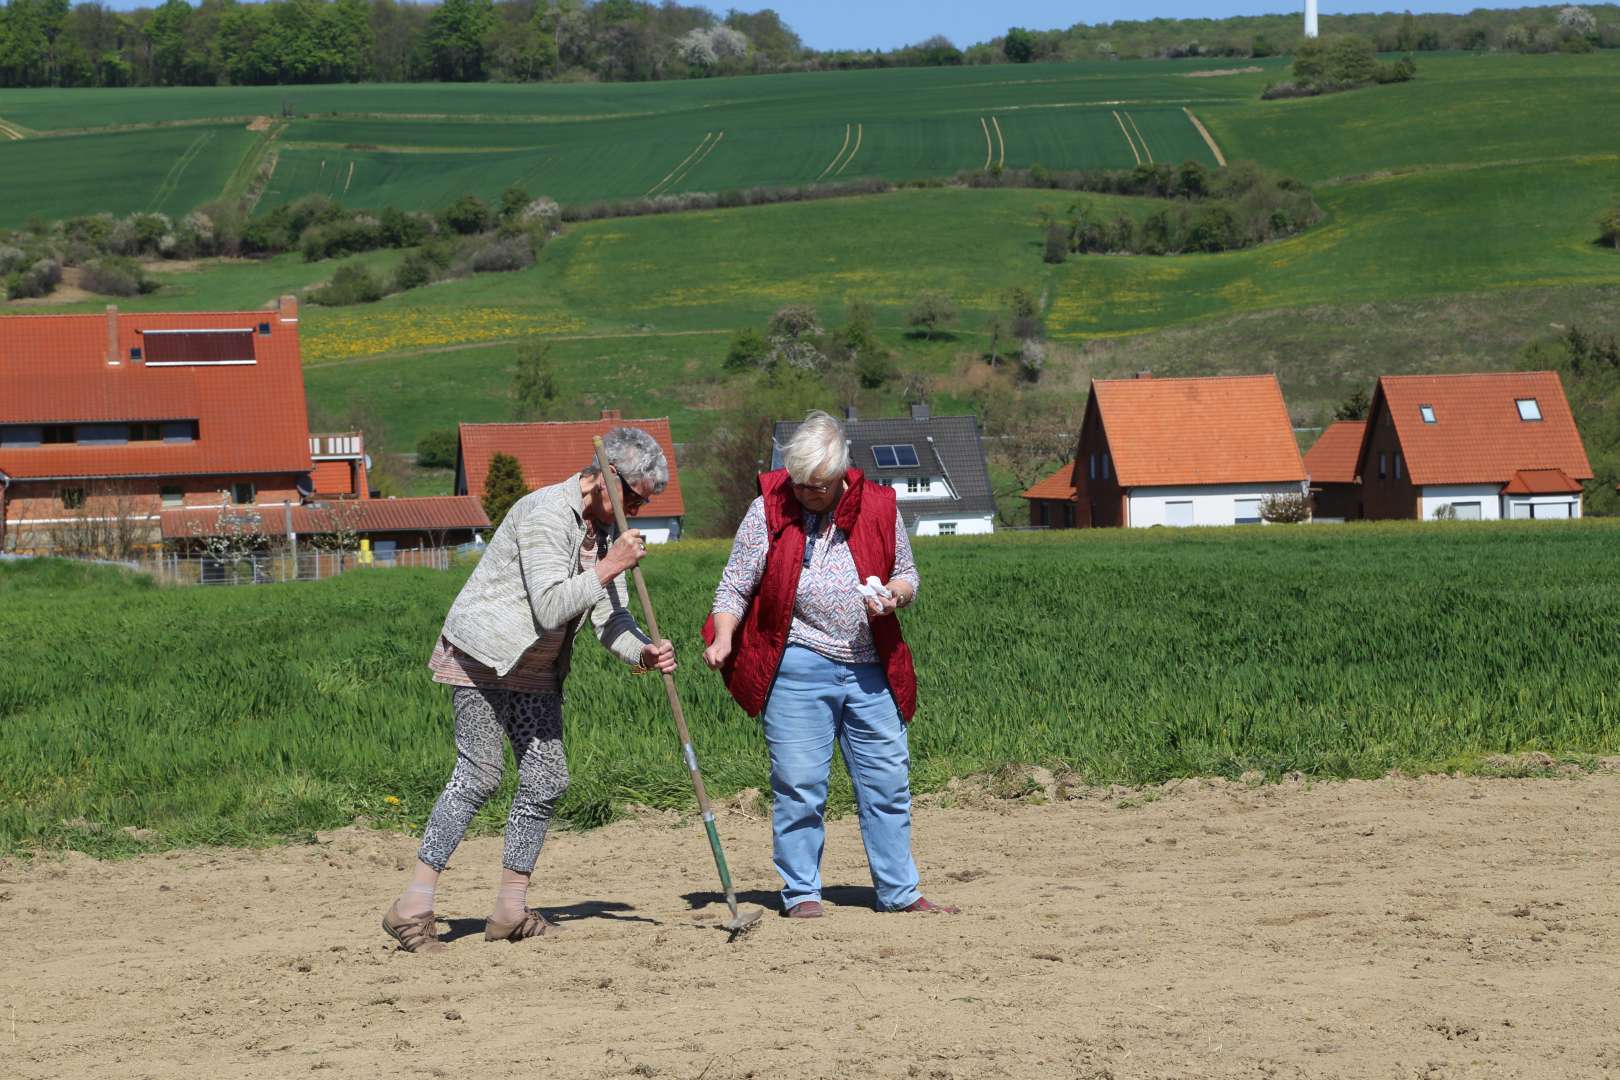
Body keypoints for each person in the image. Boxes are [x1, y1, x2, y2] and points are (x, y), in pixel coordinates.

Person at [382, 427, 677, 953]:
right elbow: (549, 605)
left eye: (644, 502)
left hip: (537, 671)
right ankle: (412, 906)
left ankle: (509, 911)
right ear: (604, 479)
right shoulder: (544, 513)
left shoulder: (607, 534)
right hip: (482, 659)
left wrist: (643, 652)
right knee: (479, 776)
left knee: (547, 780)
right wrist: (610, 567)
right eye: (633, 498)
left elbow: (612, 616)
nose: (637, 510)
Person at [703, 410, 955, 918]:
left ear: (842, 473)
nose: (806, 494)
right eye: (799, 484)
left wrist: (894, 597)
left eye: (817, 486)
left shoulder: (880, 507)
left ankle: (900, 892)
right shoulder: (768, 509)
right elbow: (734, 585)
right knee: (799, 787)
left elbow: (907, 574)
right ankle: (801, 893)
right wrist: (724, 638)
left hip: (871, 668)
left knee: (888, 784)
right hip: (797, 665)